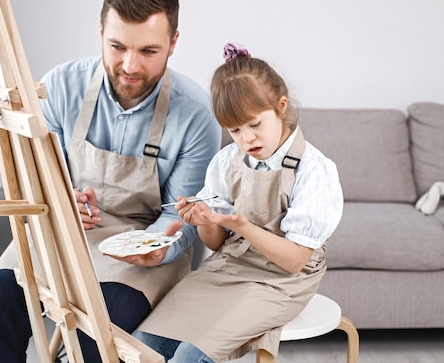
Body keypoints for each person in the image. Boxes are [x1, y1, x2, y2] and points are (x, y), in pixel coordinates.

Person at [0, 0, 222, 363]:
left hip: (144, 250)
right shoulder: (61, 86)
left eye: (148, 51)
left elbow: (180, 216)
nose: (130, 66)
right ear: (101, 31)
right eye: (117, 46)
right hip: (62, 228)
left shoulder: (196, 115)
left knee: (99, 330)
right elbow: (32, 175)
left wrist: (156, 248)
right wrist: (56, 197)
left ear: (173, 43)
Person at [133, 43, 344, 363]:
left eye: (255, 124)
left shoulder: (315, 170)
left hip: (281, 282)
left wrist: (243, 226)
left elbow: (295, 262)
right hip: (229, 267)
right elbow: (218, 245)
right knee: (141, 345)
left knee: (189, 357)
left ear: (281, 107)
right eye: (234, 130)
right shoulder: (227, 161)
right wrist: (204, 220)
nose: (247, 140)